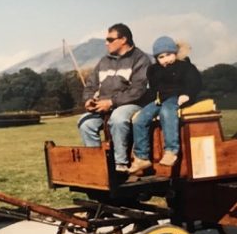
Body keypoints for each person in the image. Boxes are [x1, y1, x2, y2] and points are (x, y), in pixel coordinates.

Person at [78, 23, 152, 172]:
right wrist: (88, 100)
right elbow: (91, 84)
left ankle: (121, 165)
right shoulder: (104, 61)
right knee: (85, 124)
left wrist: (112, 102)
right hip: (105, 105)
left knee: (118, 118)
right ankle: (98, 166)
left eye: (110, 39)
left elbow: (138, 90)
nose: (106, 43)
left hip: (133, 104)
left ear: (123, 39)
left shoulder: (141, 59)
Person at [128, 36, 202, 173]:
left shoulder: (184, 66)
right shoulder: (154, 70)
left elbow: (194, 82)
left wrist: (187, 94)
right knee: (140, 119)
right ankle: (141, 157)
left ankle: (171, 150)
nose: (165, 59)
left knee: (166, 112)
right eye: (161, 57)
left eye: (168, 55)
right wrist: (144, 104)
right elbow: (153, 90)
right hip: (159, 99)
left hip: (176, 97)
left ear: (175, 53)